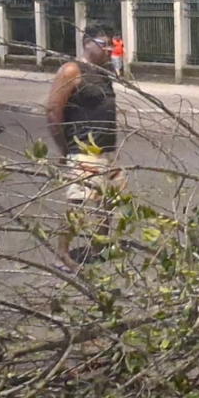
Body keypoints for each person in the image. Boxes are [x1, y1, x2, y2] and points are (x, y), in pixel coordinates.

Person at [45, 28, 124, 269]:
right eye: (103, 44)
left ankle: (100, 246)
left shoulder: (103, 72)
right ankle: (63, 253)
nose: (108, 49)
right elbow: (52, 110)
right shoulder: (71, 70)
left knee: (108, 201)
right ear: (87, 43)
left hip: (107, 149)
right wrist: (64, 148)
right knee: (78, 203)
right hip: (84, 149)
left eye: (110, 45)